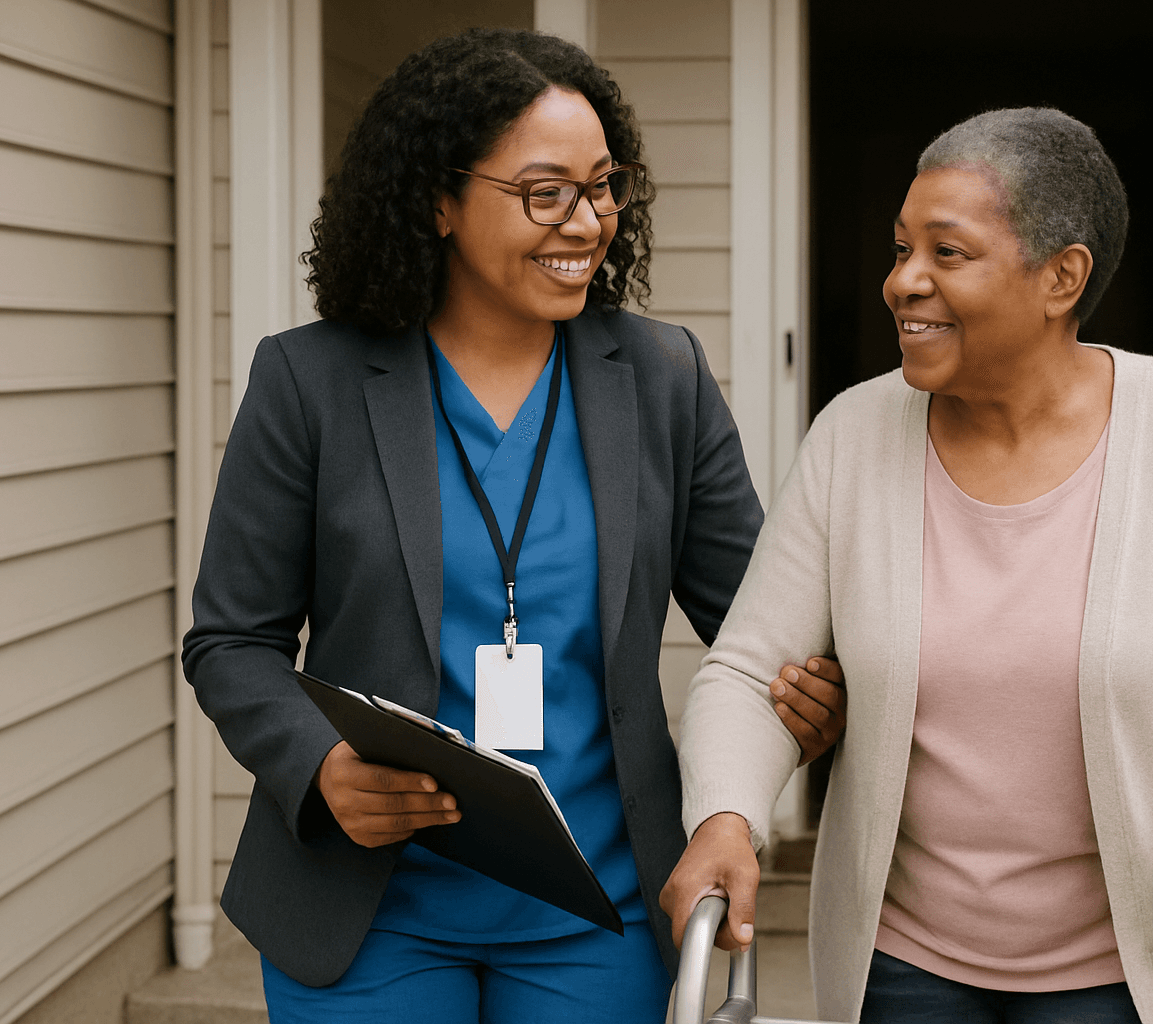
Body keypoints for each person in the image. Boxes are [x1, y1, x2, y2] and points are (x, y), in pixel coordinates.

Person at [182, 28, 845, 1024]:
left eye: (604, 186)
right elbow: (232, 642)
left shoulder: (663, 381)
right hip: (370, 907)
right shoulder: (308, 381)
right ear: (440, 202)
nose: (588, 222)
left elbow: (758, 629)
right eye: (547, 191)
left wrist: (808, 699)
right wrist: (321, 766)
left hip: (600, 905)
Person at [662, 107, 1153, 1024]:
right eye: (902, 248)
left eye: (947, 254)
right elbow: (748, 673)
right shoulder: (852, 438)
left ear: (1062, 276)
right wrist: (725, 817)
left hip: (1128, 972)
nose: (902, 281)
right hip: (904, 968)